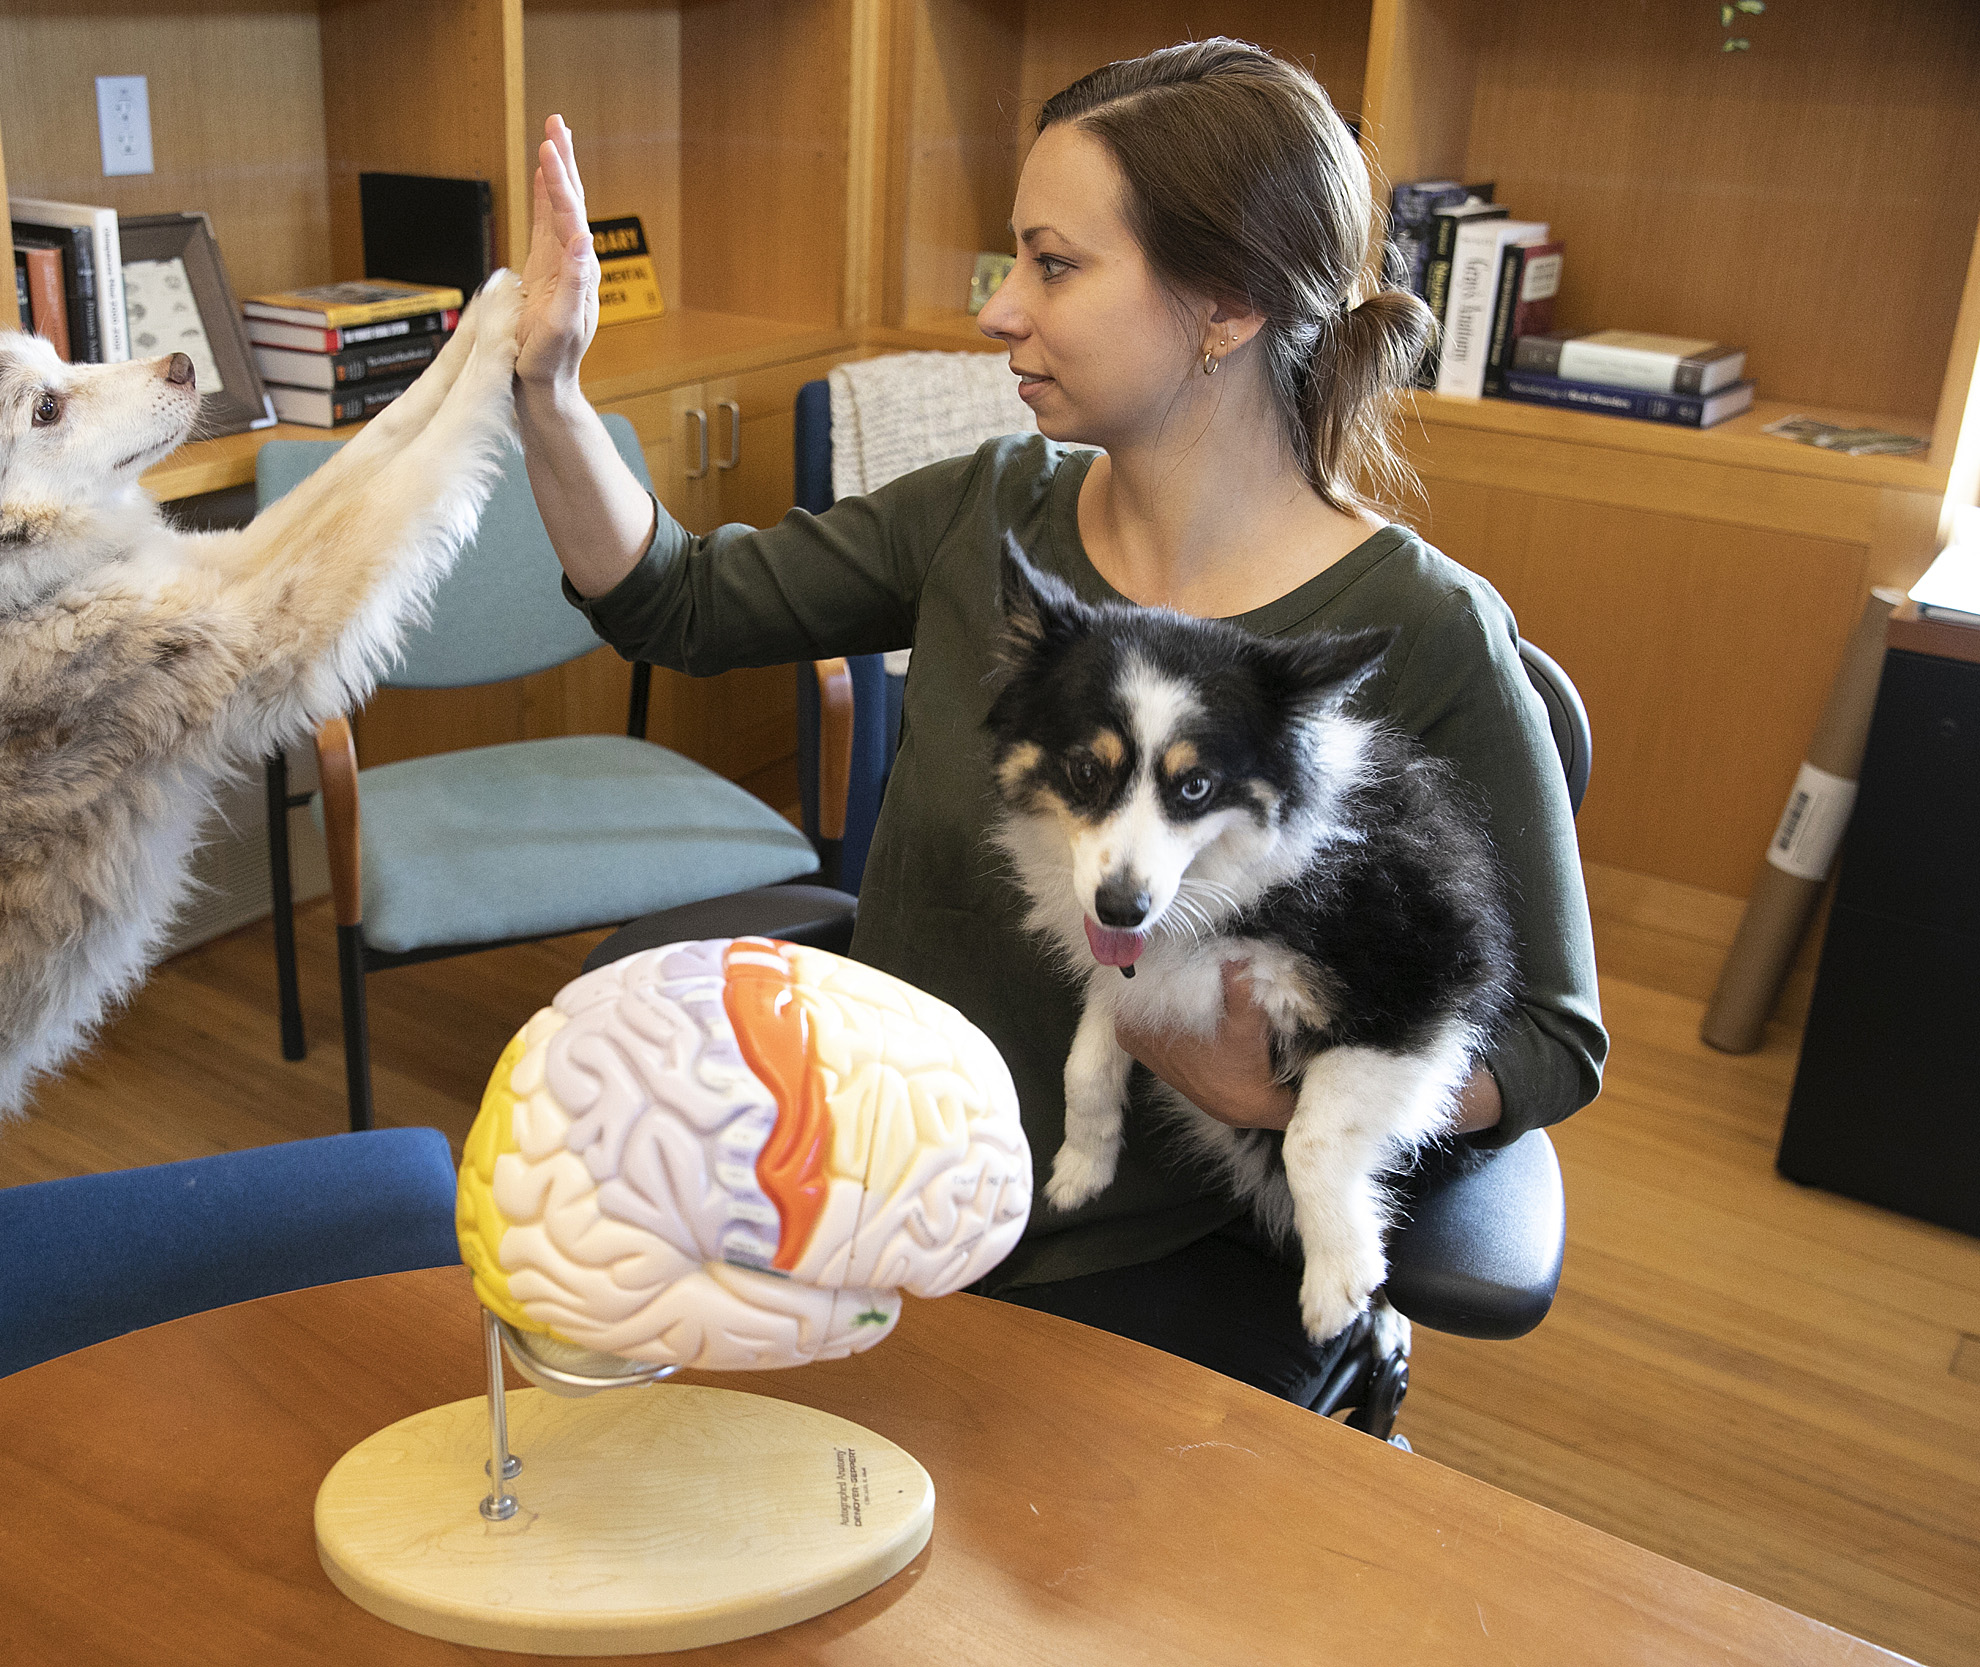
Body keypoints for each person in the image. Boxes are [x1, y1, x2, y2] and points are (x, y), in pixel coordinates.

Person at [511, 40, 1605, 1403]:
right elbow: (675, 603)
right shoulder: (989, 516)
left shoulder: (1428, 633)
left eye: (1053, 264)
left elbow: (1554, 1041)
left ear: (1224, 307)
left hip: (1143, 1269)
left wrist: (1276, 1098)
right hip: (862, 1203)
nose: (999, 311)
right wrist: (551, 399)